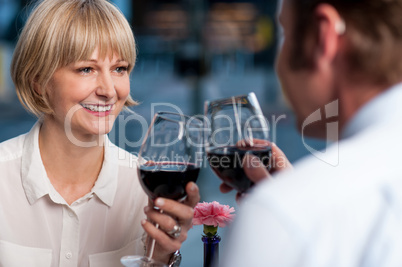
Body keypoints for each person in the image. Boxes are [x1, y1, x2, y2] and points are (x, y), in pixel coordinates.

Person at [0, 0, 199, 266]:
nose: (109, 90)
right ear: (39, 81)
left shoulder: (144, 192)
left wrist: (162, 258)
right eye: (86, 69)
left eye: (119, 69)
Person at [221, 0, 402, 266]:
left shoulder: (279, 217)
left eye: (285, 32)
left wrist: (285, 207)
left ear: (323, 35)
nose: (280, 63)